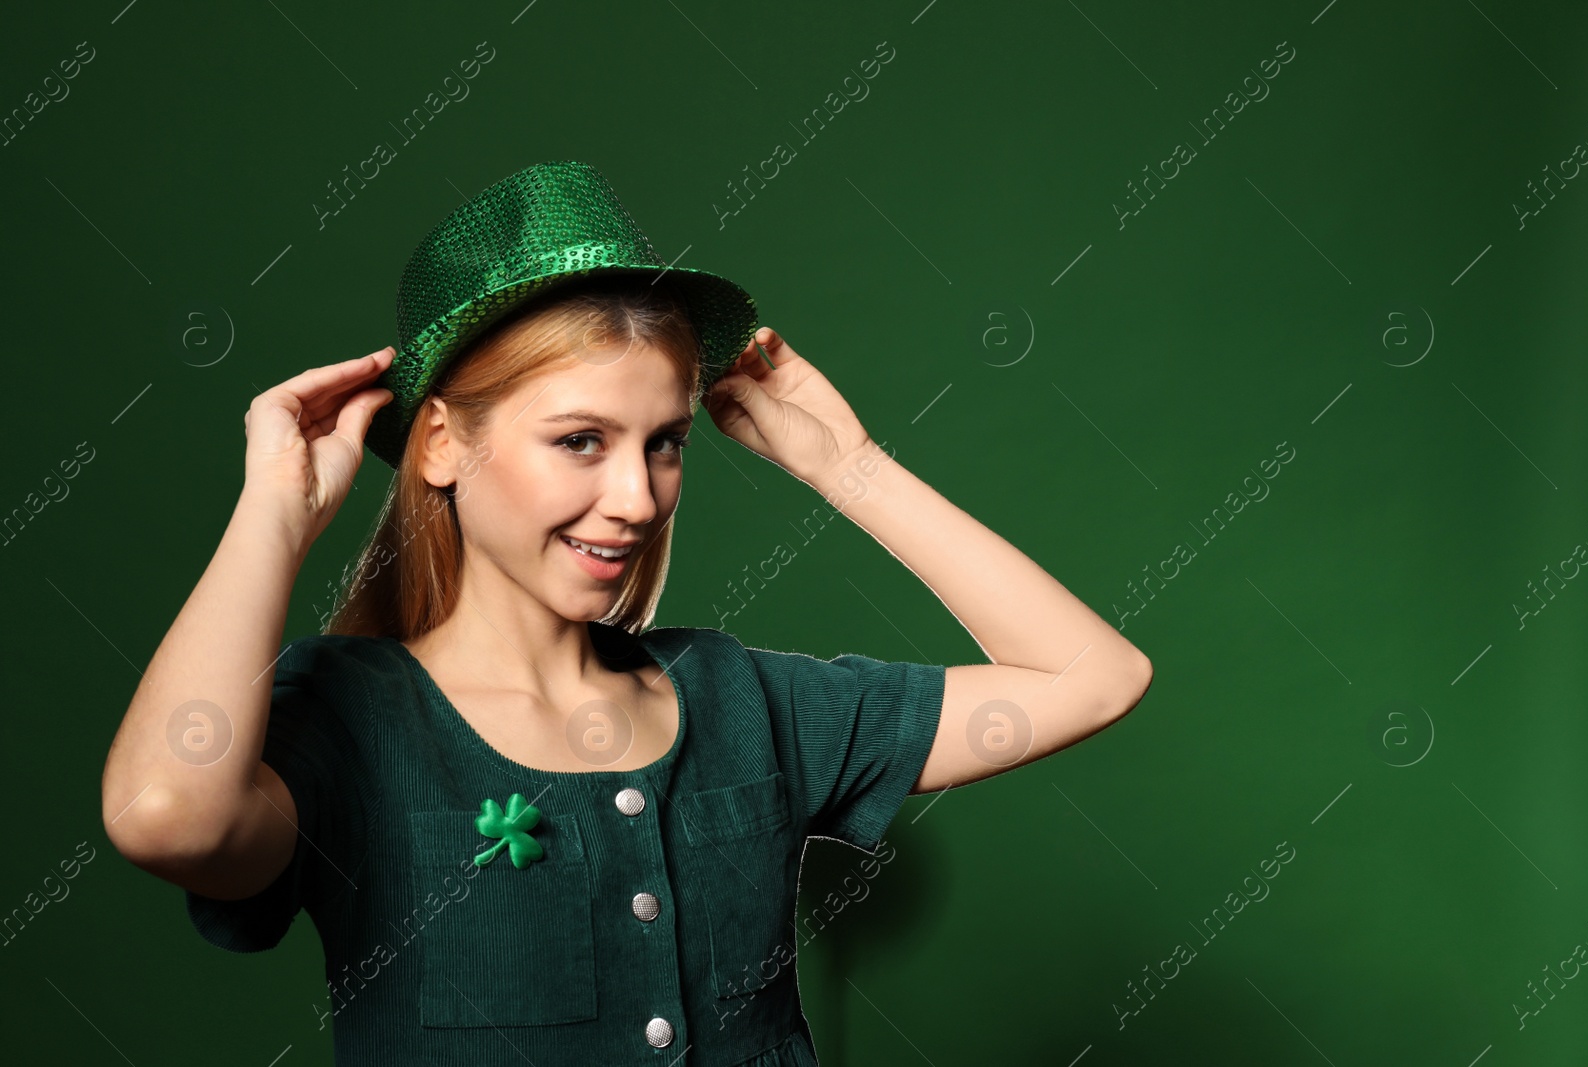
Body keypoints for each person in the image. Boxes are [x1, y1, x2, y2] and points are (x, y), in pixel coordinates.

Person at [100, 162, 1153, 1065]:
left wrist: (852, 468)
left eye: (664, 440)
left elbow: (1091, 676)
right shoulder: (347, 717)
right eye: (579, 440)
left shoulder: (746, 698)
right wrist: (273, 518)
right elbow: (162, 810)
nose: (638, 498)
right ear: (439, 446)